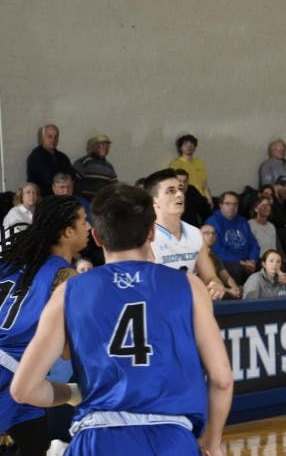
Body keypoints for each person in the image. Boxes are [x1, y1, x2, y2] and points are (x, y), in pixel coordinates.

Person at [10, 184, 232, 455]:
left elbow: (23, 390)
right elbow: (222, 380)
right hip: (171, 438)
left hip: (96, 438)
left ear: (97, 237)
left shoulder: (69, 290)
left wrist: (71, 393)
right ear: (151, 232)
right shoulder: (190, 286)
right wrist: (211, 442)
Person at [0, 196, 88, 455]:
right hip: (7, 373)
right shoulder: (65, 276)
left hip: (20, 374)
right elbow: (66, 351)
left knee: (36, 442)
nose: (89, 227)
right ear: (67, 231)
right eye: (84, 221)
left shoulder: (11, 261)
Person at [144, 169, 225, 300]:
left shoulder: (195, 234)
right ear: (154, 202)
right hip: (158, 308)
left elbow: (210, 276)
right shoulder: (144, 237)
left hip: (189, 307)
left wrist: (215, 284)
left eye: (180, 189)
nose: (179, 194)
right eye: (171, 191)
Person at [206, 191, 260, 286]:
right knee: (236, 269)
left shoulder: (242, 221)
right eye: (228, 204)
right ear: (220, 205)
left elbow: (254, 244)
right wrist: (240, 262)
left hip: (247, 261)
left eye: (235, 204)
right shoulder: (213, 221)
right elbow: (216, 250)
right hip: (227, 261)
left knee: (267, 264)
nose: (232, 207)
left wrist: (252, 260)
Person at [26, 124, 76, 196]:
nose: (53, 140)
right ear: (42, 138)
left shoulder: (62, 157)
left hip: (63, 196)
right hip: (43, 198)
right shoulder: (36, 157)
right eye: (49, 136)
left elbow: (72, 177)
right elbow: (49, 180)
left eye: (56, 137)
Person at [72, 135, 118, 201]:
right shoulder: (83, 162)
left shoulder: (109, 166)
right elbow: (73, 183)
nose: (105, 148)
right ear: (93, 147)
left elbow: (114, 187)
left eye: (107, 145)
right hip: (84, 203)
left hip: (101, 204)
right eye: (101, 145)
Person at [170, 134, 211, 199]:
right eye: (185, 144)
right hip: (185, 196)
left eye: (192, 144)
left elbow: (204, 184)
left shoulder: (200, 163)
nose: (189, 146)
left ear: (195, 147)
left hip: (200, 196)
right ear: (180, 147)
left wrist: (209, 198)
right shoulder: (175, 164)